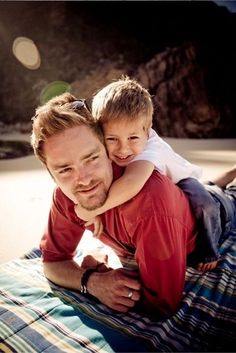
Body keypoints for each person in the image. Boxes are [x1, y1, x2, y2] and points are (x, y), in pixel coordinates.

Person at [31, 92, 236, 318]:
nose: (84, 179)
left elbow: (162, 304)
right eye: (65, 170)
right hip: (183, 194)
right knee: (207, 185)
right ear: (51, 173)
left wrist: (106, 276)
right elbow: (53, 261)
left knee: (222, 196)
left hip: (215, 213)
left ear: (106, 152)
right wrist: (92, 281)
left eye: (92, 158)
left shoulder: (151, 203)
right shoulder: (66, 196)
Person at [74, 76, 232, 271]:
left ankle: (210, 250)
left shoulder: (151, 148)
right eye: (112, 139)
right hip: (190, 186)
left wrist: (92, 210)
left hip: (183, 182)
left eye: (133, 137)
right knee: (213, 185)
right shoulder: (108, 147)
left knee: (205, 202)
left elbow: (131, 182)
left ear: (147, 131)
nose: (123, 149)